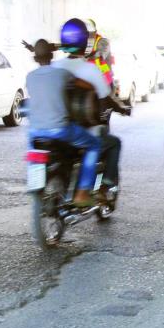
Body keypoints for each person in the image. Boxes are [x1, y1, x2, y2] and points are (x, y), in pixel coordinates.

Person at [26, 38, 103, 207]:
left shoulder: (30, 77)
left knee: (32, 152)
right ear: (51, 56)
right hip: (60, 129)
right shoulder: (61, 74)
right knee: (94, 145)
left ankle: (35, 183)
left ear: (36, 59)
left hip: (35, 132)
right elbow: (87, 86)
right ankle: (83, 192)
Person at [52, 19, 126, 194]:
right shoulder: (90, 69)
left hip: (55, 130)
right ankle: (104, 187)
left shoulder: (55, 67)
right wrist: (122, 108)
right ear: (85, 41)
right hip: (79, 130)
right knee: (113, 143)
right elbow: (106, 97)